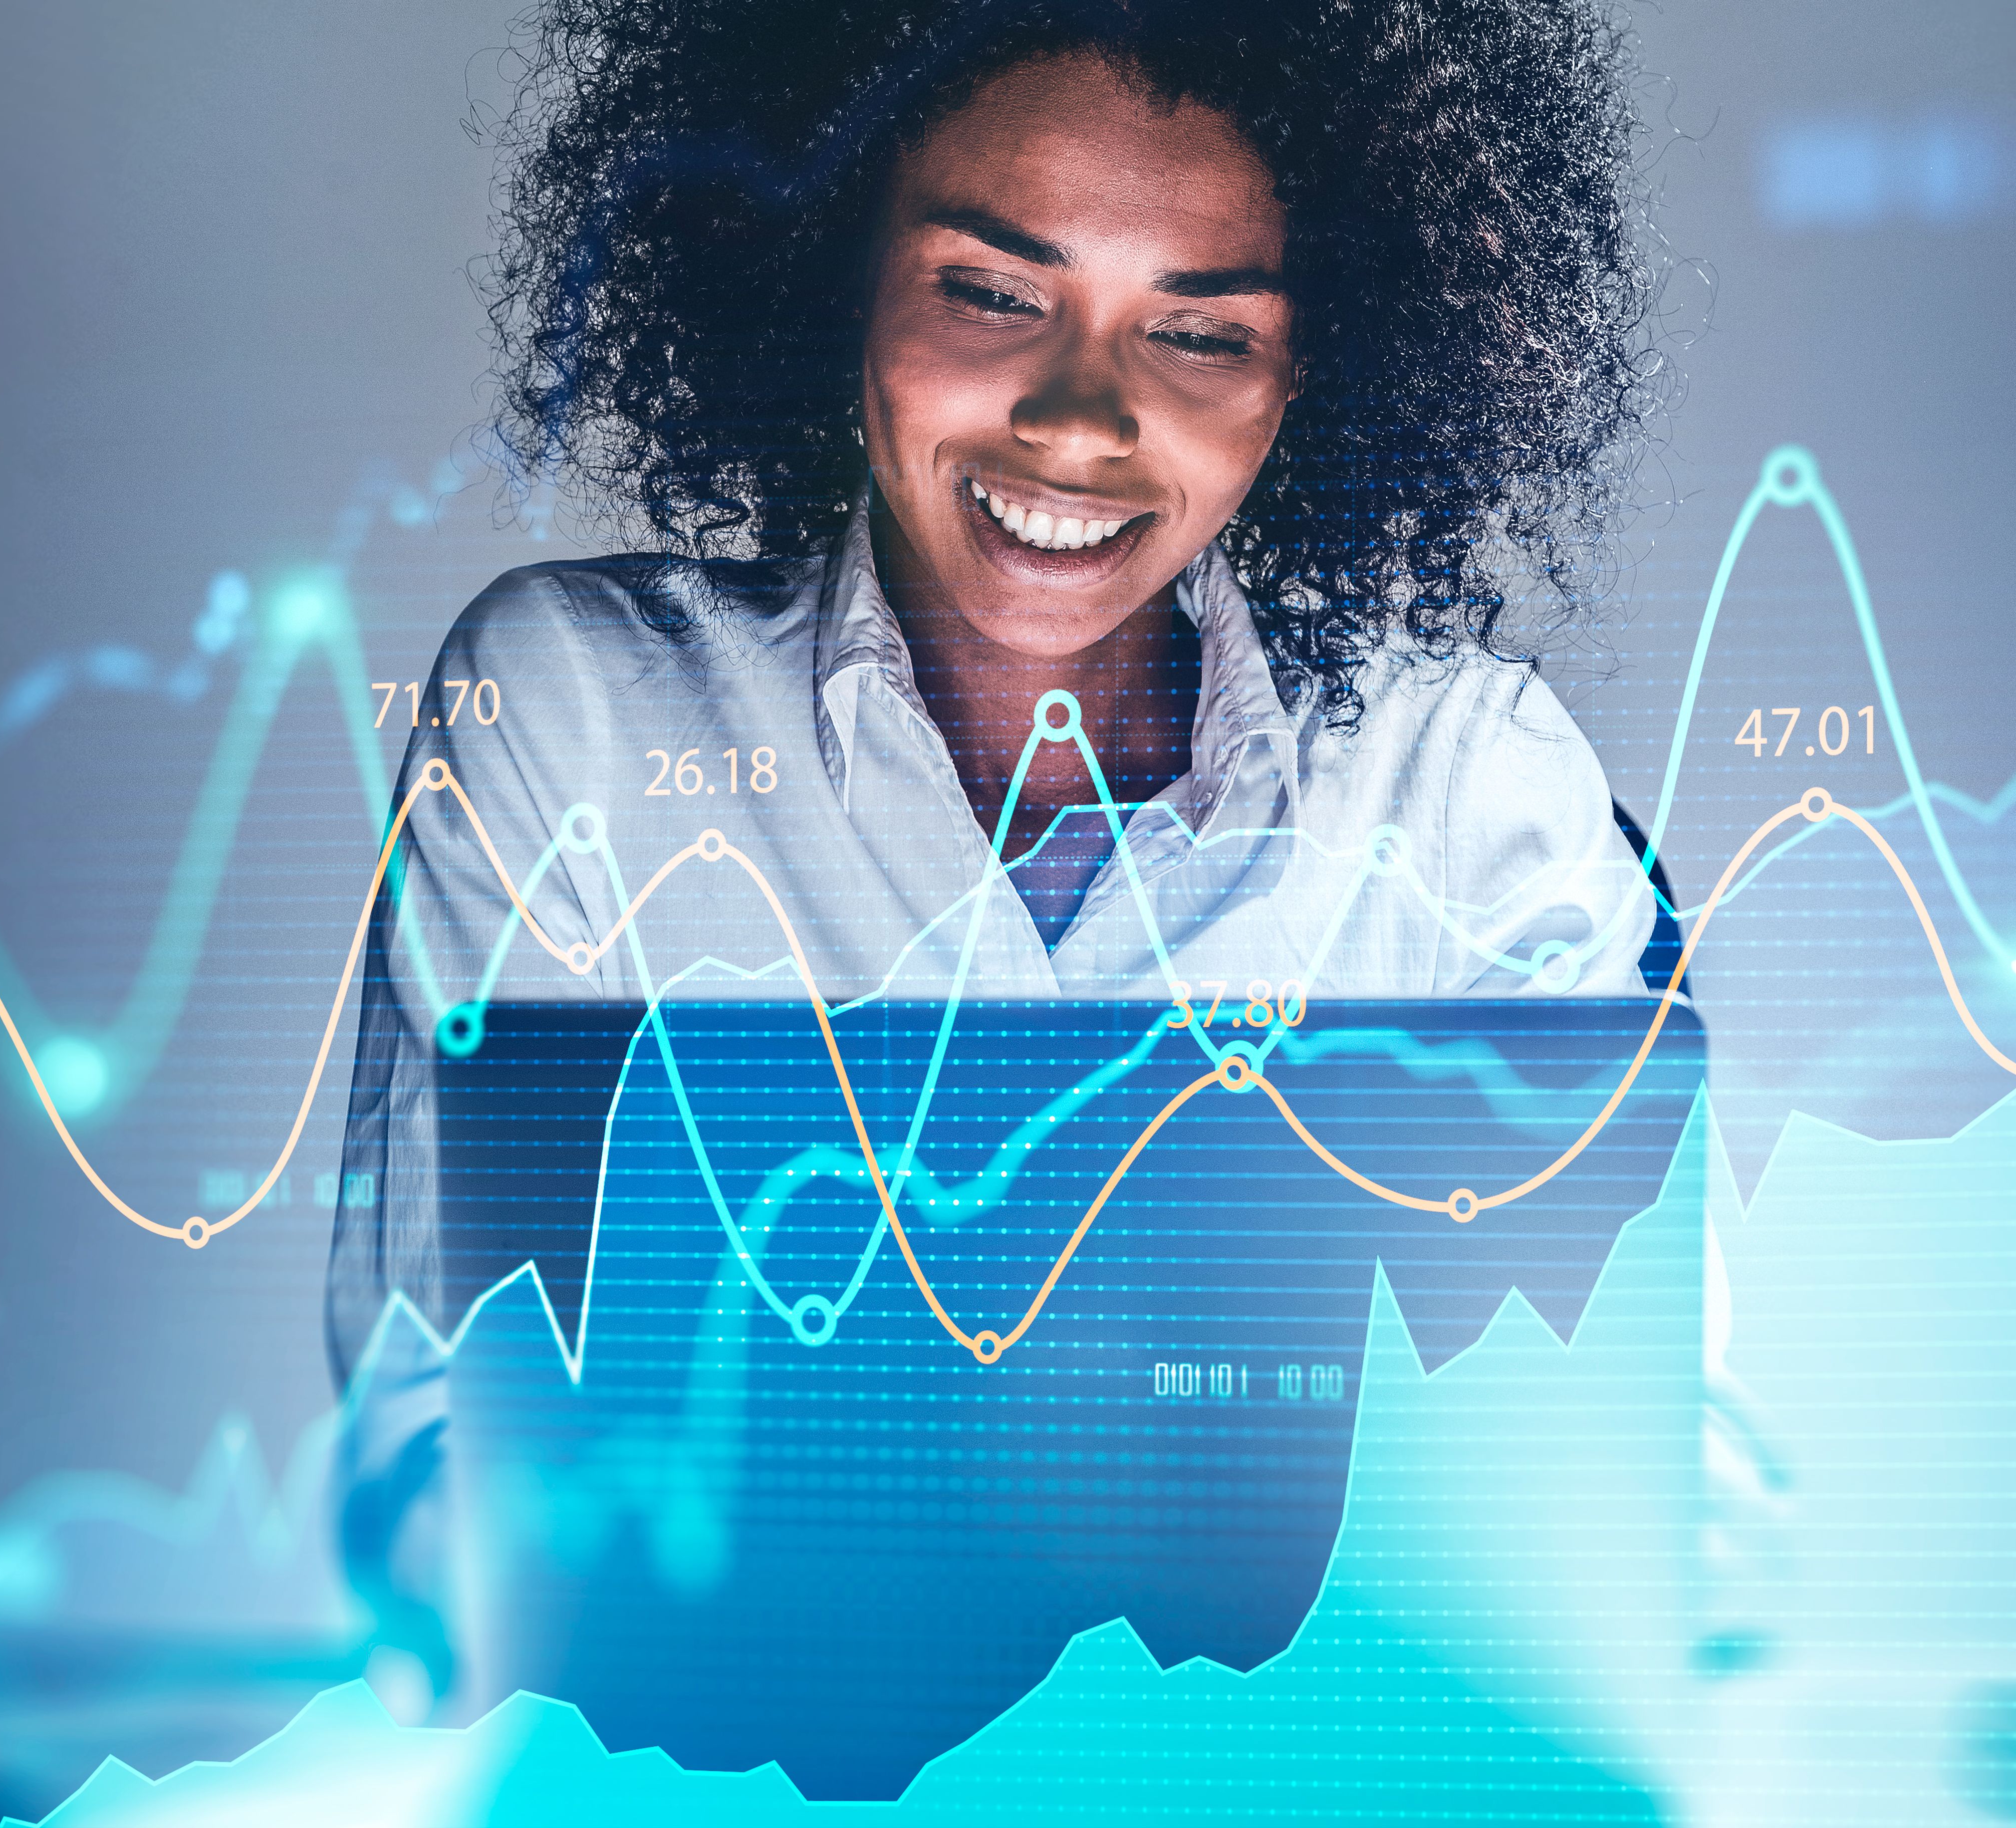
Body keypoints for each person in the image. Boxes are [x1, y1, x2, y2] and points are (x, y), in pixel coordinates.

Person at [326, 0, 1664, 1753]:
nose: (1082, 418)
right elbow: (428, 1444)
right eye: (989, 291)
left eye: (1198, 334)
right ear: (832, 276)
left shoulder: (1466, 783)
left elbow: (1637, 1504)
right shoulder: (576, 711)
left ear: (1305, 377)